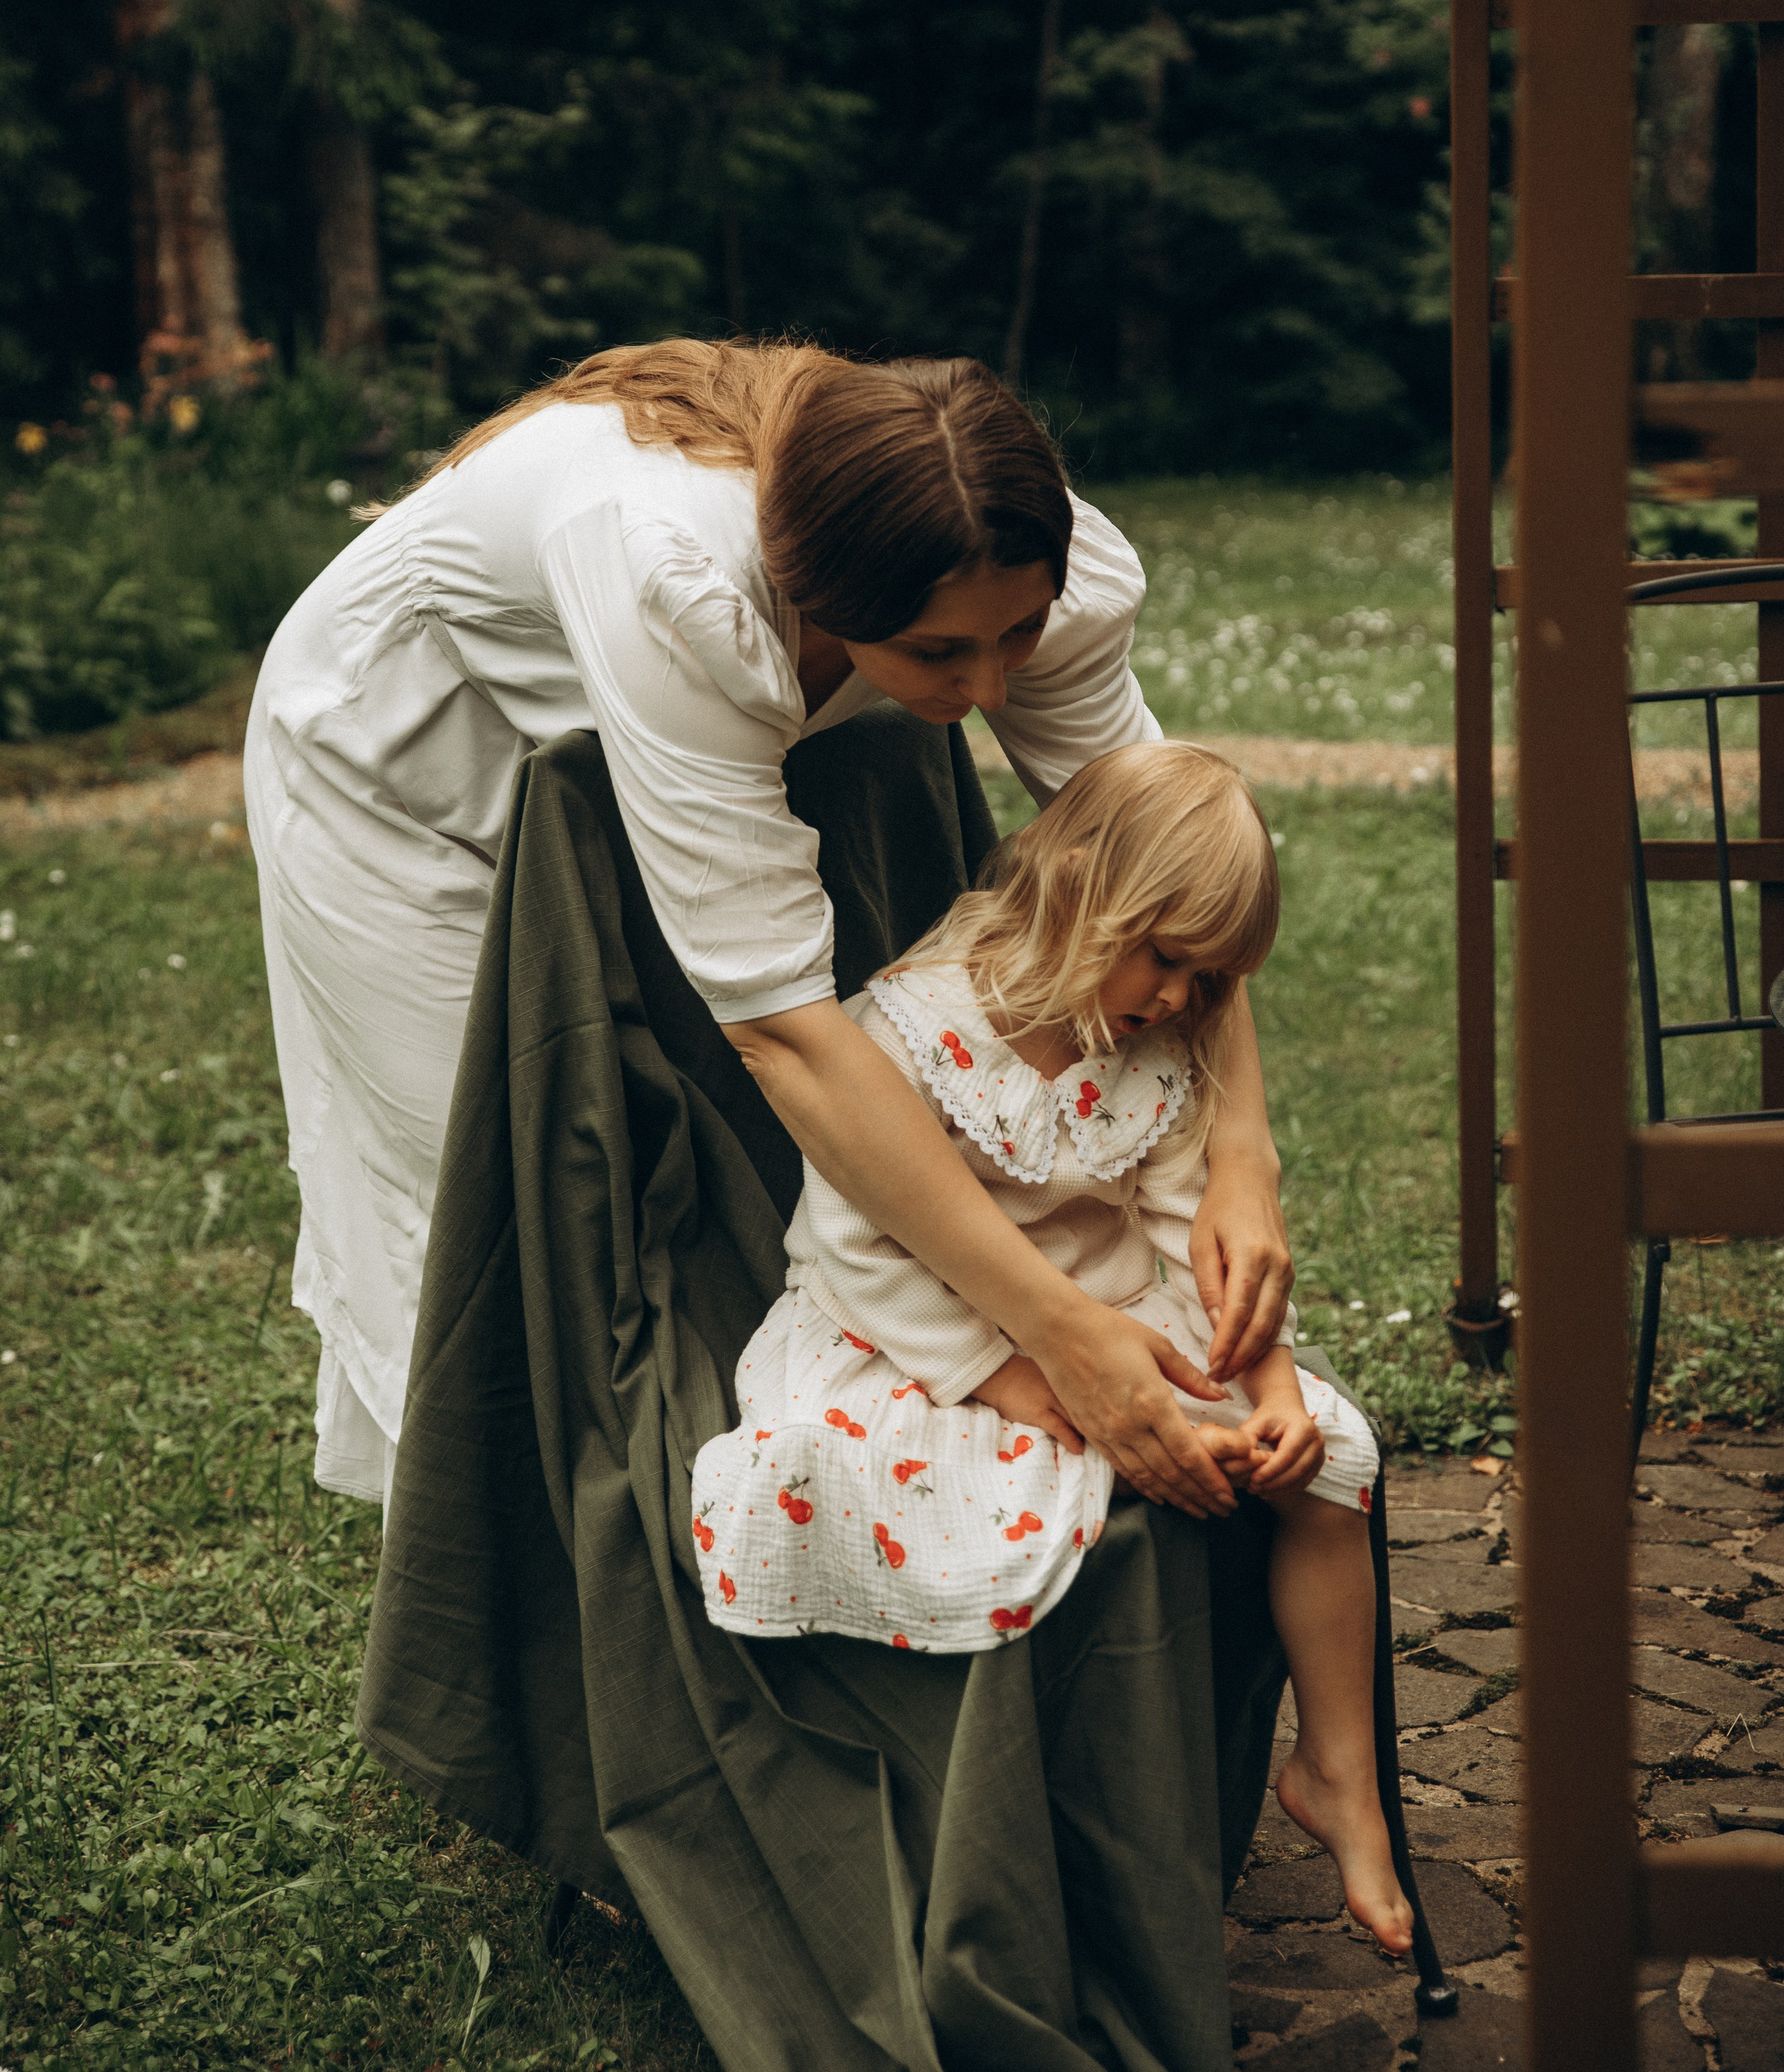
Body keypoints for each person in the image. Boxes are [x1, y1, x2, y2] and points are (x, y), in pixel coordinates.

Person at [245, 337, 1292, 1513]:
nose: (991, 691)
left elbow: (1167, 870)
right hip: (398, 773)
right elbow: (784, 1033)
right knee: (503, 1189)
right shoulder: (673, 577)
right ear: (818, 593)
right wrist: (1056, 1329)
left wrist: (1242, 1158)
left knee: (747, 1180)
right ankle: (510, 1561)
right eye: (939, 653)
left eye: (1019, 635)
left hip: (635, 747)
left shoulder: (1001, 545)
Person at [691, 739, 1413, 1956]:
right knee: (988, 1502)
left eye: (1210, 979)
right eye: (1167, 958)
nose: (1181, 999)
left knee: (1329, 1465)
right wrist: (1017, 1380)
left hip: (1100, 1307)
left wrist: (1272, 1383)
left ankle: (1338, 1771)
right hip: (917, 1331)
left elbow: (1193, 1227)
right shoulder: (910, 1028)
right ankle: (1006, 1826)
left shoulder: (1160, 1036)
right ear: (1077, 888)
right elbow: (857, 1248)